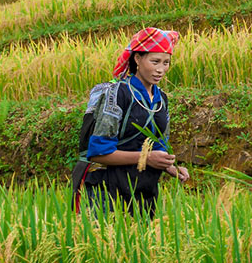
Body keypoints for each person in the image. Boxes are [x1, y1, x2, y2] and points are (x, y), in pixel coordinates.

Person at [77, 27, 190, 217]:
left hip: (143, 190)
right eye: (154, 61)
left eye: (166, 62)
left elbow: (157, 146)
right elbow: (97, 153)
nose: (160, 69)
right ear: (137, 59)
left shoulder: (161, 99)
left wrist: (170, 167)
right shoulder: (117, 94)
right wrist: (145, 158)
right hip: (107, 189)